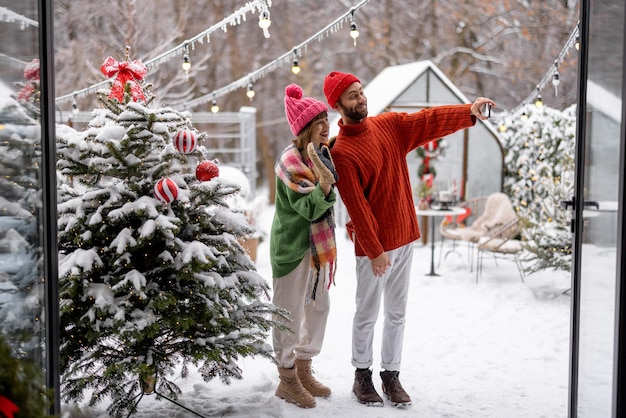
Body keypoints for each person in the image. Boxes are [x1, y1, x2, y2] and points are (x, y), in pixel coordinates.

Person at [322, 71, 495, 407]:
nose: (361, 99)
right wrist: (374, 252)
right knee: (367, 313)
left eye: (361, 92)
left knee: (397, 313)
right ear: (338, 104)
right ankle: (362, 376)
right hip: (376, 250)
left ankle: (391, 375)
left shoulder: (388, 126)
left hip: (405, 237)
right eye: (352, 95)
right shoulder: (342, 152)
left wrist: (468, 111)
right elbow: (357, 209)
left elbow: (427, 121)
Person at [270, 83, 339, 409]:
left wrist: (327, 179)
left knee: (318, 308)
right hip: (294, 248)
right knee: (289, 314)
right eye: (319, 122)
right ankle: (286, 379)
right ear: (305, 129)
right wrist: (324, 184)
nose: (326, 126)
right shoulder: (290, 163)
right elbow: (311, 208)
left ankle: (304, 367)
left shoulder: (321, 156)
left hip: (318, 250)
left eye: (327, 119)